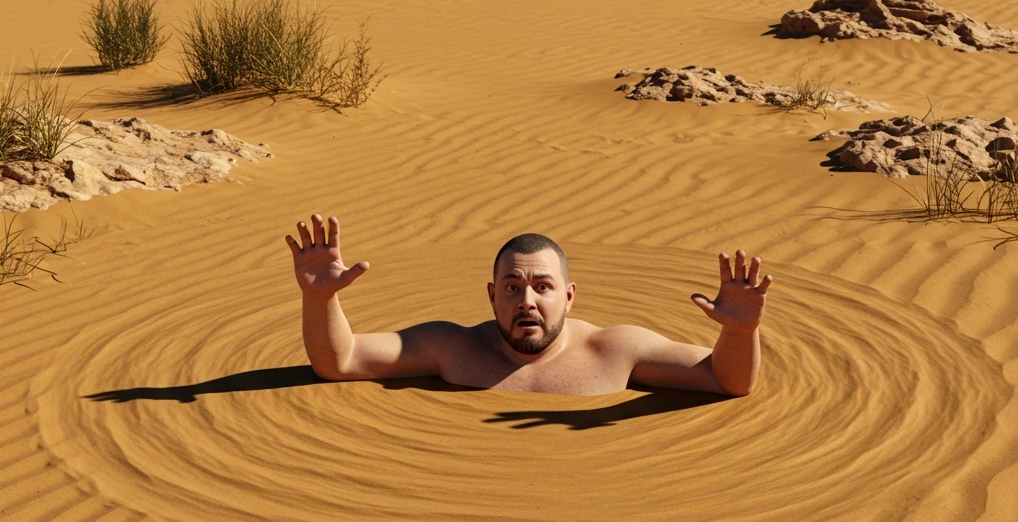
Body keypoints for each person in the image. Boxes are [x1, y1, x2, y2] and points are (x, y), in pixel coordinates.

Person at [286, 214, 773, 397]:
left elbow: (725, 381)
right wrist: (319, 299)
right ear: (492, 294)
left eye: (543, 286)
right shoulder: (450, 347)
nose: (528, 300)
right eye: (513, 287)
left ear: (569, 295)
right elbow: (339, 362)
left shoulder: (617, 349)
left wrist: (740, 332)